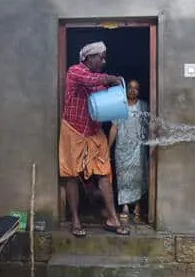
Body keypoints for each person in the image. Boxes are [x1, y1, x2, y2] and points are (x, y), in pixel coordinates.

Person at [59, 41, 130, 237]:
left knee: (104, 174)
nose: (104, 60)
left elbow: (103, 104)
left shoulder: (98, 81)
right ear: (89, 58)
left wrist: (114, 95)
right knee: (71, 175)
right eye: (101, 57)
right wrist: (111, 79)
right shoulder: (75, 71)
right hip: (73, 129)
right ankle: (75, 220)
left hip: (94, 131)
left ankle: (113, 218)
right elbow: (89, 80)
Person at [109, 80, 149, 222]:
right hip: (122, 148)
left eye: (136, 88)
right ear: (127, 90)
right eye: (130, 88)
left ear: (139, 91)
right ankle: (125, 205)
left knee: (137, 176)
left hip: (138, 147)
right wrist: (108, 147)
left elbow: (149, 127)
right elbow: (114, 128)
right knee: (123, 177)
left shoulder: (144, 106)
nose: (132, 91)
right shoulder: (120, 106)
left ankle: (137, 205)